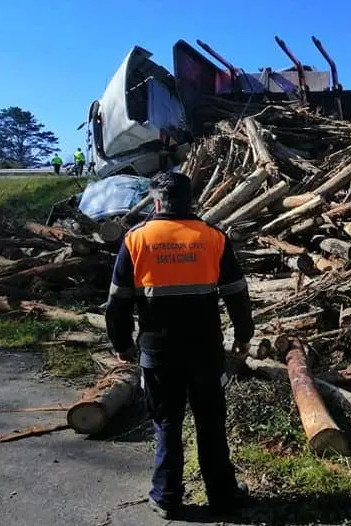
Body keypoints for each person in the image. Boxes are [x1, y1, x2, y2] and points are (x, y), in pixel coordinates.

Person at [105, 172, 254, 519]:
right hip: (205, 352)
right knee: (211, 422)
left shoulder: (136, 239)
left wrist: (122, 342)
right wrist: (244, 335)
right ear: (190, 201)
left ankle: (166, 496)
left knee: (166, 422)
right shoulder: (213, 238)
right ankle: (223, 494)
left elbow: (118, 300)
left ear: (156, 203)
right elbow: (237, 293)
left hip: (158, 353)